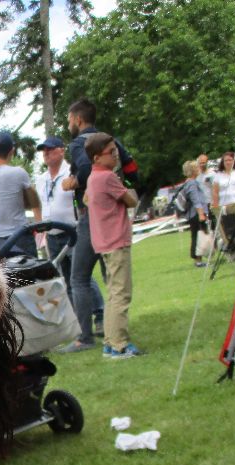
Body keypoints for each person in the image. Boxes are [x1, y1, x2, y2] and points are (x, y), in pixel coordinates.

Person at [59, 99, 139, 353]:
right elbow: (132, 167)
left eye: (69, 119)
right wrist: (130, 186)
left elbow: (84, 171)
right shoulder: (110, 141)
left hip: (92, 219)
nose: (69, 123)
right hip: (110, 226)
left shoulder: (80, 145)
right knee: (115, 283)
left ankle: (88, 337)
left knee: (79, 278)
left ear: (78, 119)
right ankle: (112, 335)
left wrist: (75, 181)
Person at [84, 133, 141, 359]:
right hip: (116, 241)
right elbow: (131, 200)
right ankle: (119, 344)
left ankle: (110, 341)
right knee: (121, 294)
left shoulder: (92, 177)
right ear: (97, 157)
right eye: (112, 152)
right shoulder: (107, 177)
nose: (116, 155)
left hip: (104, 242)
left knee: (112, 294)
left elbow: (88, 200)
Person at [0, 130, 40, 256]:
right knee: (30, 274)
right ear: (12, 151)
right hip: (20, 236)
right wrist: (39, 223)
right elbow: (34, 200)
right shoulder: (19, 173)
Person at [34, 136, 77, 269]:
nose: (46, 153)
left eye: (50, 149)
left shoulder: (72, 172)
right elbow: (38, 205)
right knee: (60, 279)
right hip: (51, 237)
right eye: (43, 150)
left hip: (72, 233)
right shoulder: (41, 179)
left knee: (79, 276)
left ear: (62, 151)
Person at [211, 150, 235, 258]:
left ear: (234, 161)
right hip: (225, 206)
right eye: (225, 160)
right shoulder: (218, 176)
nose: (228, 162)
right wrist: (216, 207)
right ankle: (233, 252)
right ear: (223, 162)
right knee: (229, 231)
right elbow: (215, 193)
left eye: (230, 160)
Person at [180, 159, 210, 267]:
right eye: (196, 167)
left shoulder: (189, 182)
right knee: (197, 236)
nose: (199, 169)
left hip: (195, 213)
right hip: (196, 214)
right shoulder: (192, 183)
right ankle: (198, 260)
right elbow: (196, 200)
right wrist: (201, 214)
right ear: (192, 170)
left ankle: (199, 259)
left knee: (197, 235)